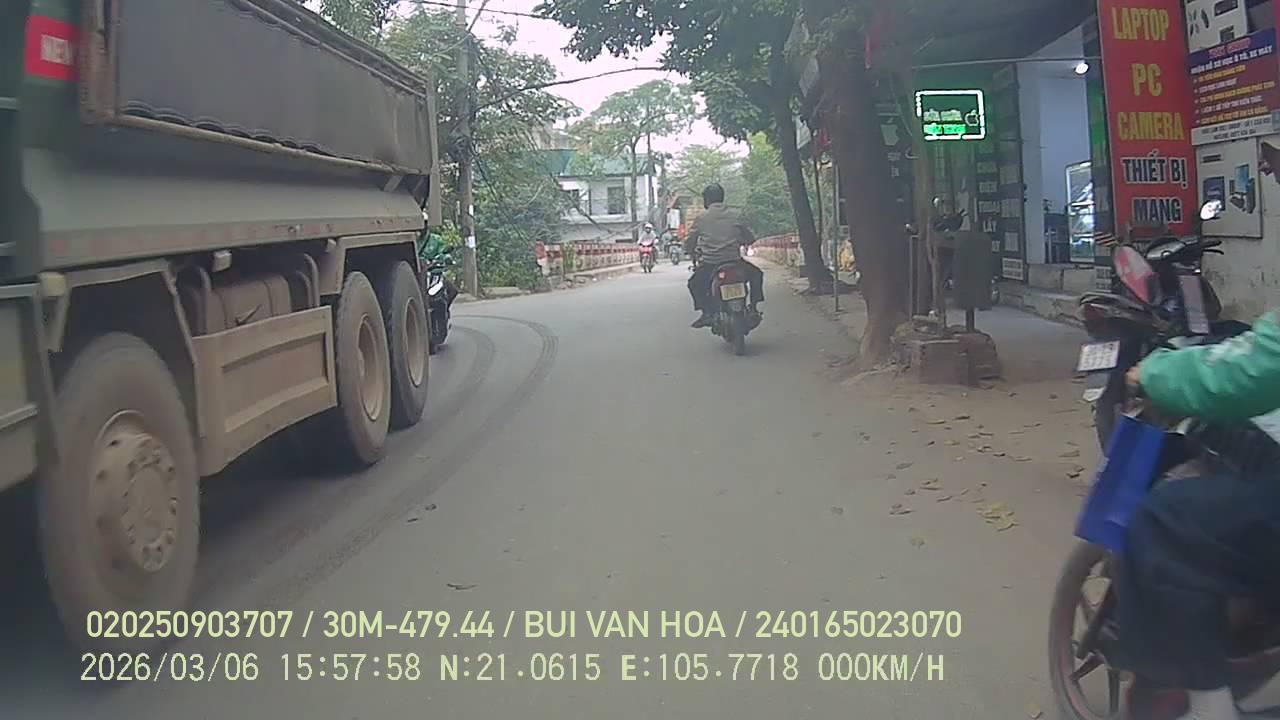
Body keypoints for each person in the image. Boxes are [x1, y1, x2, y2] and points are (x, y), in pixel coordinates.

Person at [1114, 311, 1280, 720]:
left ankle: (1209, 707)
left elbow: (1253, 369)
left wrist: (1154, 373)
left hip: (1193, 362)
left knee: (1165, 518)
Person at [684, 183, 763, 328]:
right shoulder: (735, 215)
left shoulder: (701, 218)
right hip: (735, 262)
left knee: (694, 284)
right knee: (757, 274)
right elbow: (750, 237)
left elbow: (690, 241)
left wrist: (689, 250)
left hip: (711, 264)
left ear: (707, 200)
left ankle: (707, 313)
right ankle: (753, 307)